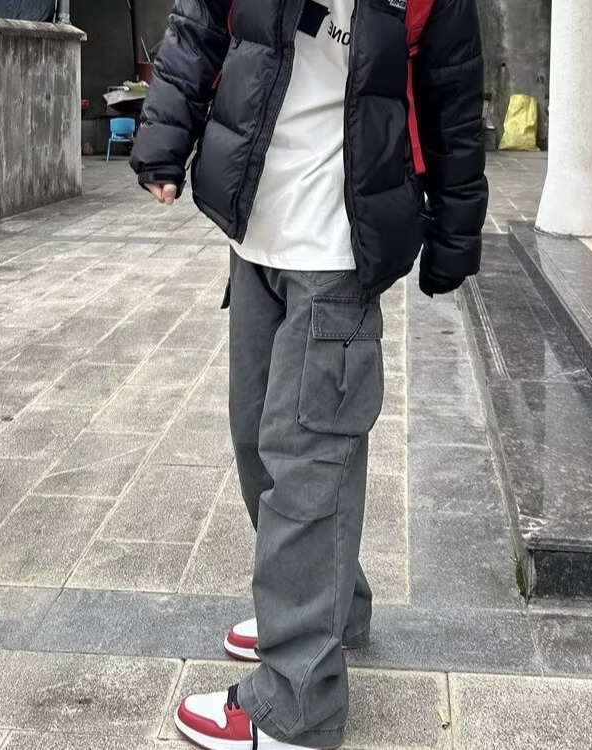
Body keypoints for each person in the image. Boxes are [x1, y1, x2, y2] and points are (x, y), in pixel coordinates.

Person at [130, 0, 488, 748]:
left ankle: (297, 702)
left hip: (338, 253)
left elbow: (453, 97)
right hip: (256, 234)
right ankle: (327, 612)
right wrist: (164, 136)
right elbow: (199, 24)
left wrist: (456, 233)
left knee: (308, 467)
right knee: (257, 447)